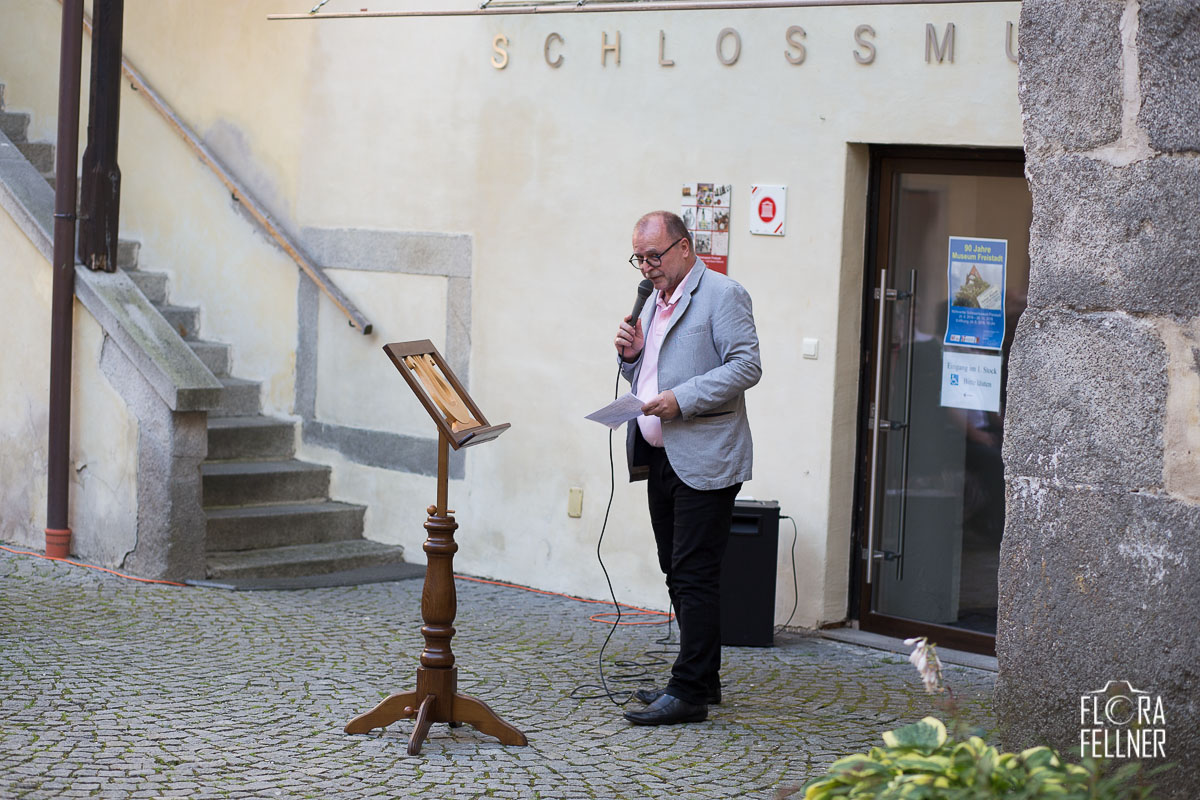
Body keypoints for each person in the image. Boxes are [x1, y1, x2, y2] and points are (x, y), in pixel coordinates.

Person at [613, 210, 761, 725]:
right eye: (640, 258)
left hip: (706, 455)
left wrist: (682, 399)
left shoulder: (723, 294)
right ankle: (704, 677)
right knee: (676, 571)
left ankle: (690, 692)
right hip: (659, 454)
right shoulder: (654, 300)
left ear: (684, 247)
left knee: (695, 575)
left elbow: (747, 366)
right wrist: (631, 359)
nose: (647, 267)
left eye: (654, 256)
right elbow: (651, 370)